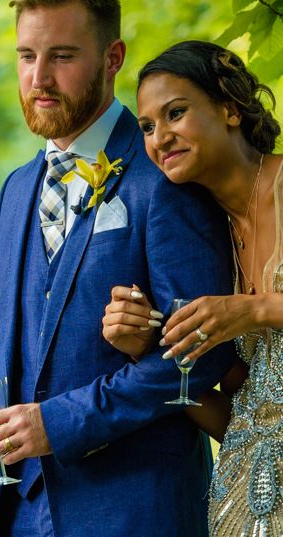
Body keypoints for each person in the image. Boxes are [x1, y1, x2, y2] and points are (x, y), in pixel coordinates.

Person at [0, 0, 238, 537]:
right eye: (26, 56)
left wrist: (58, 424)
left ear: (113, 58)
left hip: (135, 509)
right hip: (14, 515)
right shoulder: (15, 190)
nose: (39, 77)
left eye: (62, 56)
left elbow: (199, 356)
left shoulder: (166, 173)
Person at [102, 39, 282, 536]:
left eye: (175, 113)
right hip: (245, 506)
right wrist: (151, 356)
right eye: (146, 127)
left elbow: (249, 316)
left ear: (228, 107)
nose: (159, 137)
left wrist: (256, 310)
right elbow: (245, 422)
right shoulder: (207, 244)